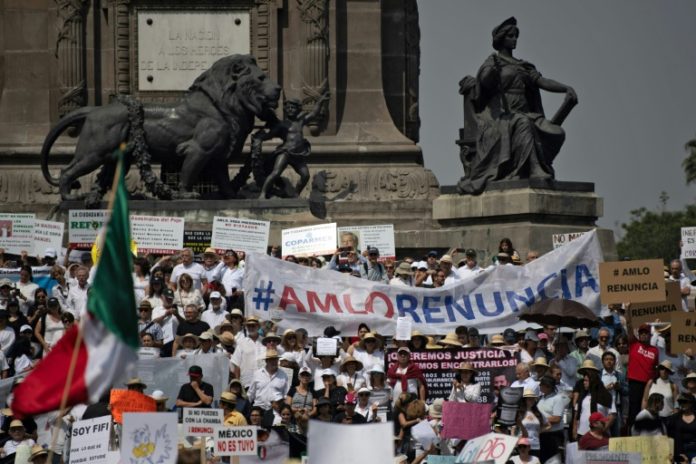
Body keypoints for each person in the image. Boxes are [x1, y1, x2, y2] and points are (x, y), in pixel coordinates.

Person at [457, 17, 577, 194]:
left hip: (527, 114)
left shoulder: (524, 66)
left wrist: (564, 88)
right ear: (501, 39)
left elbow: (541, 81)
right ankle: (534, 168)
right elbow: (483, 85)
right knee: (522, 123)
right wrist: (492, 71)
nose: (514, 39)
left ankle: (537, 166)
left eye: (516, 36)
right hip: (499, 117)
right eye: (511, 36)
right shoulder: (492, 63)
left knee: (556, 132)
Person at [253, 93, 329, 198]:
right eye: (288, 108)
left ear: (298, 109)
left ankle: (296, 193)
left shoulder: (301, 122)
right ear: (285, 110)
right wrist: (261, 138)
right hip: (286, 152)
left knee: (305, 175)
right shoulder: (282, 125)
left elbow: (313, 114)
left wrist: (320, 102)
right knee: (276, 172)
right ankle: (263, 193)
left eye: (293, 107)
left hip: (298, 154)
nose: (290, 110)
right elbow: (270, 134)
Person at [625, 320, 659, 429]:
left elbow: (656, 367)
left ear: (650, 335)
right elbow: (629, 327)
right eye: (642, 333)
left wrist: (653, 380)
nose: (643, 335)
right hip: (635, 382)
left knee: (647, 410)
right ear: (639, 334)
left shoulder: (655, 350)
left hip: (648, 385)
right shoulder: (633, 343)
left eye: (646, 333)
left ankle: (646, 431)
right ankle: (633, 433)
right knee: (634, 409)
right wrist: (627, 310)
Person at [537, 376, 566, 463]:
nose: (539, 386)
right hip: (542, 435)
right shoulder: (541, 398)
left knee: (553, 461)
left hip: (554, 436)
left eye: (541, 384)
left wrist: (539, 420)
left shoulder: (558, 399)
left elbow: (557, 418)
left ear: (548, 386)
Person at [669, 393, 696, 463]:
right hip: (679, 450)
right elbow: (669, 436)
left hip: (694, 450)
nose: (681, 404)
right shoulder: (674, 418)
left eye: (684, 402)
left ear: (691, 403)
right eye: (680, 402)